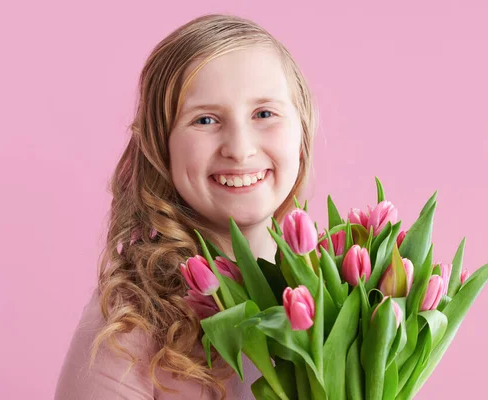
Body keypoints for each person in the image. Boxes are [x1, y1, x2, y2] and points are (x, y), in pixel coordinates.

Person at [54, 13, 318, 400]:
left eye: (264, 113)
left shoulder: (339, 295)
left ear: (302, 129)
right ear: (162, 148)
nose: (240, 148)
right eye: (205, 119)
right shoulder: (130, 323)